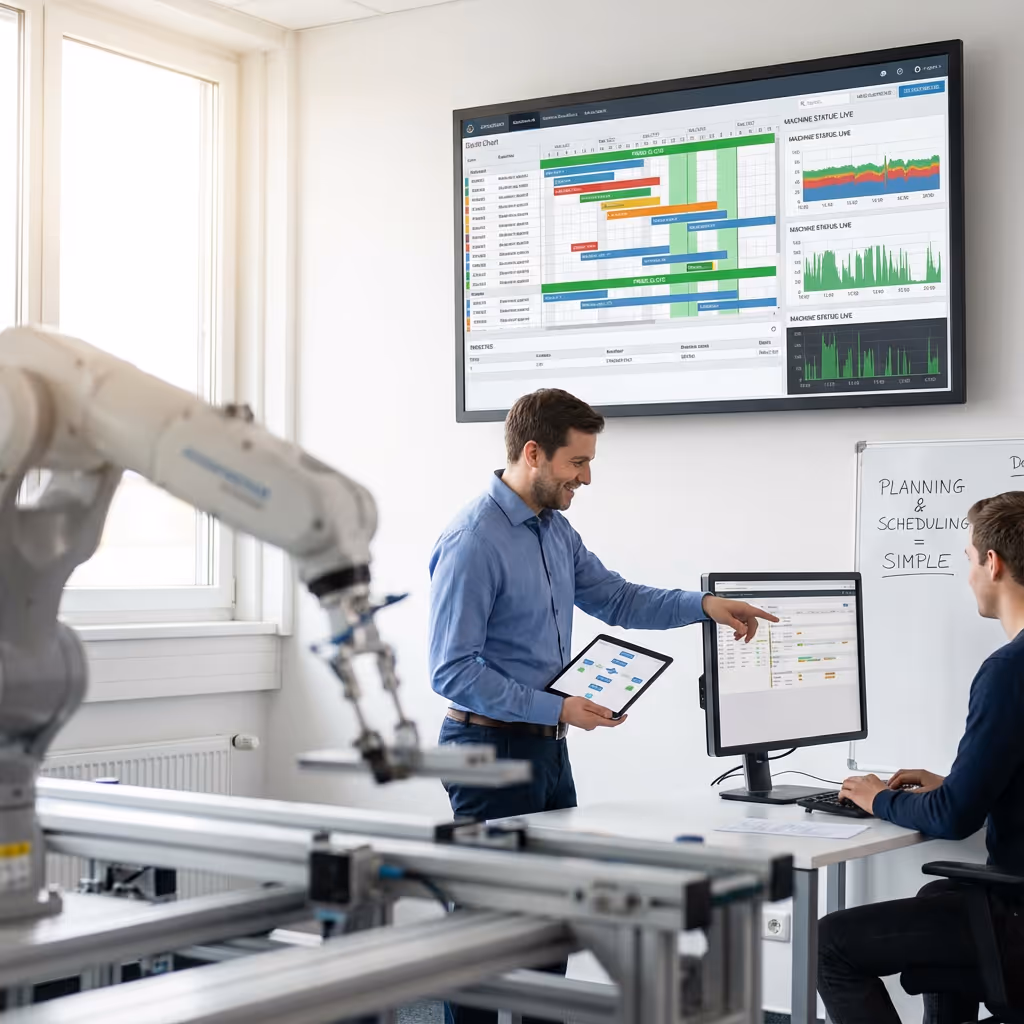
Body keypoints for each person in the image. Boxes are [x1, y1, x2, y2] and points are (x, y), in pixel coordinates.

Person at [428, 388, 775, 1024]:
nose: (586, 478)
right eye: (576, 463)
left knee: (554, 923)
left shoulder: (555, 531)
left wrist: (703, 605)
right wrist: (556, 708)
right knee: (486, 933)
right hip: (486, 752)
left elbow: (616, 599)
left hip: (544, 749)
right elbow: (452, 672)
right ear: (533, 453)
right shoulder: (473, 540)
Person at [818, 491, 1024, 1024]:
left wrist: (877, 797)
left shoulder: (1009, 671)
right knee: (942, 893)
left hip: (1021, 915)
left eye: (968, 557)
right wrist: (952, 782)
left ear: (992, 563)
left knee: (830, 944)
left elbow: (954, 819)